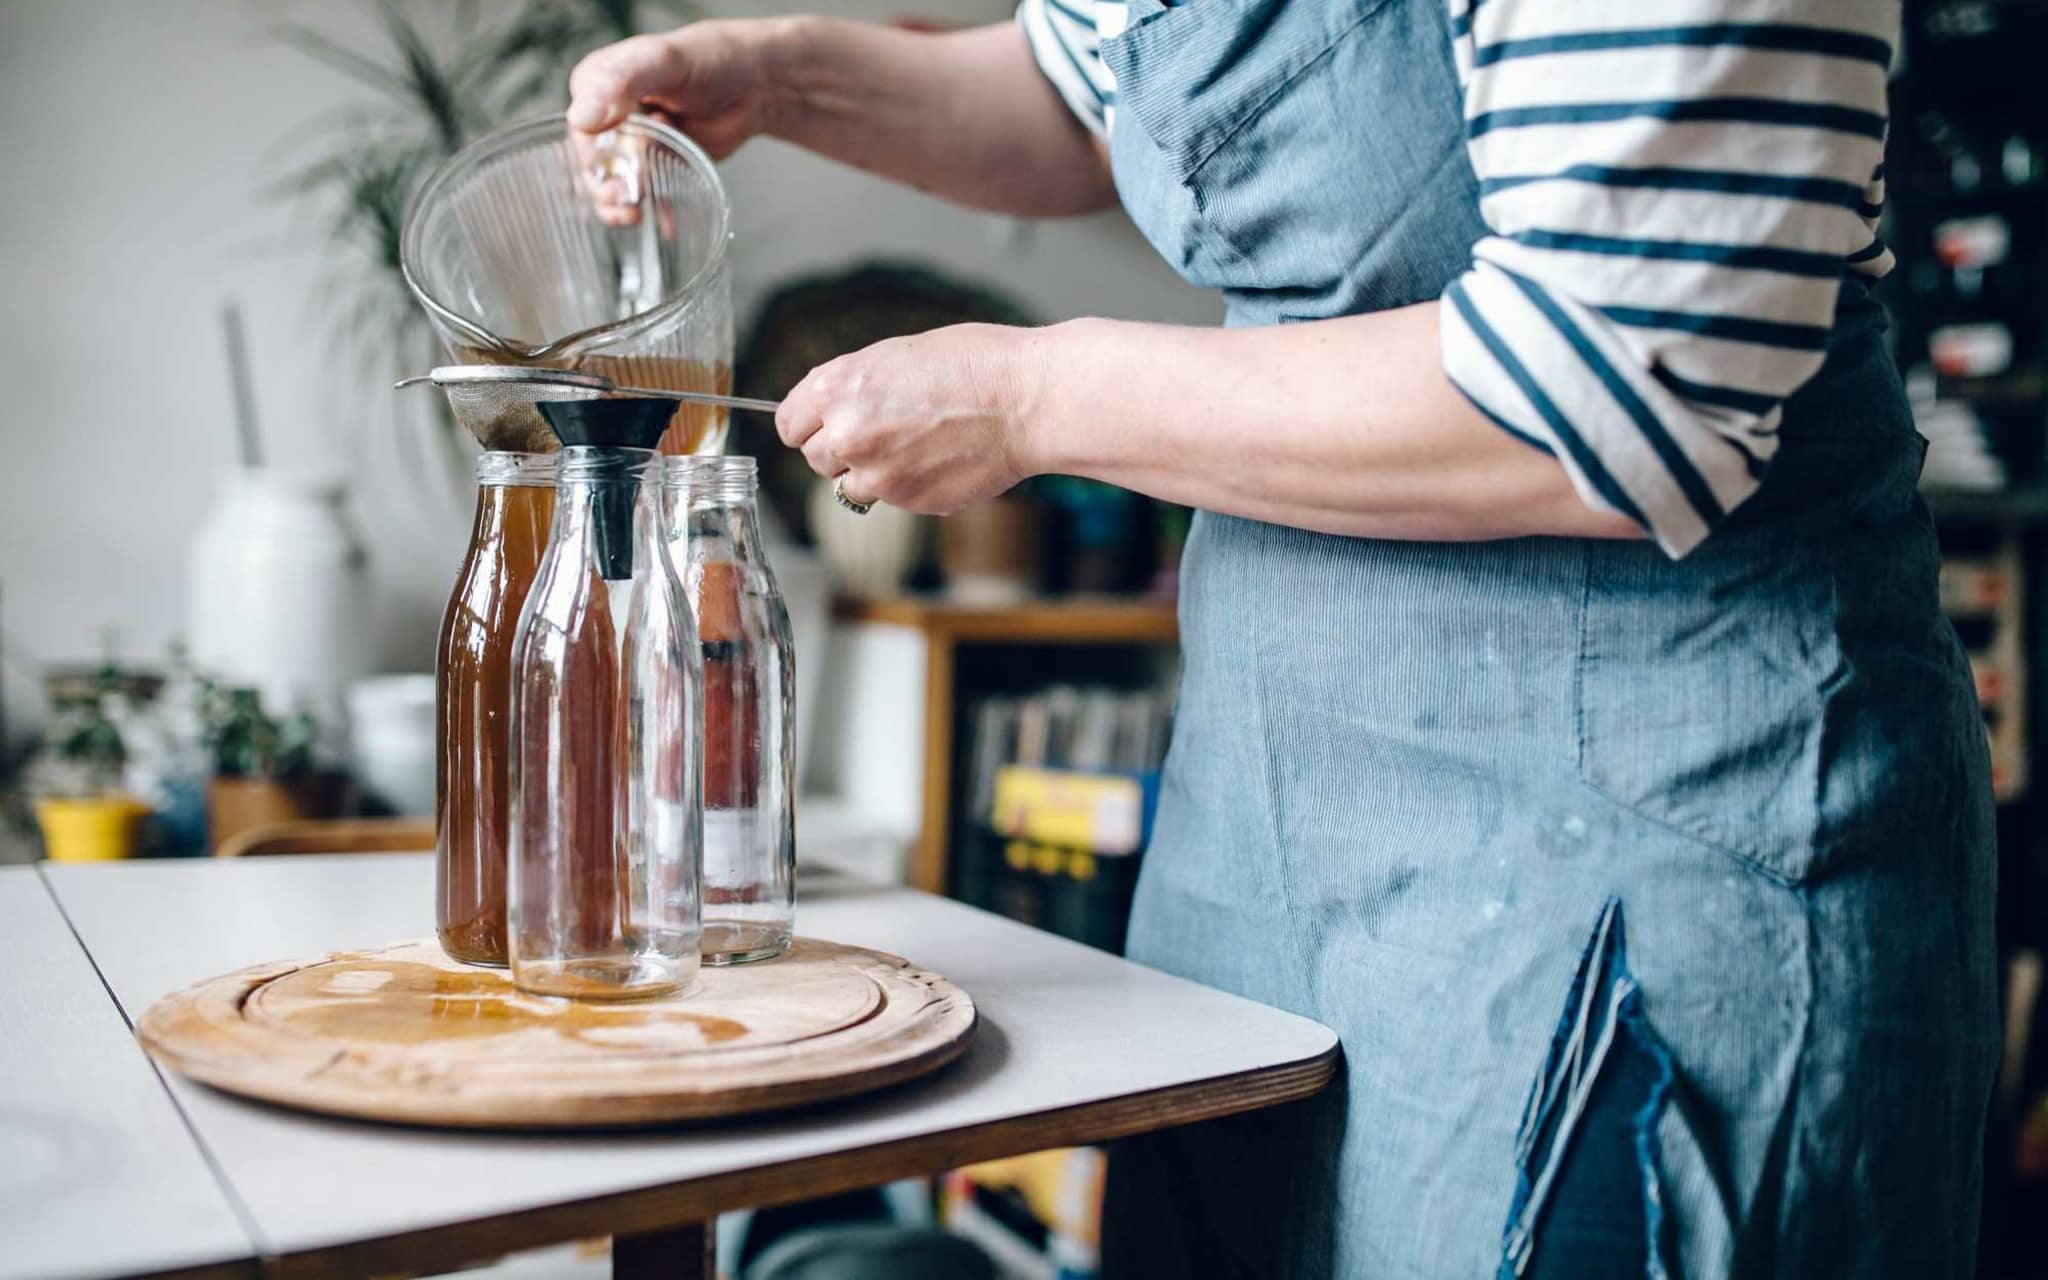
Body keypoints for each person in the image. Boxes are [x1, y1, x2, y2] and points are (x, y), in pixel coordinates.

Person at [568, 2, 1997, 1275]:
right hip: (1266, 836)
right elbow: (1091, 89)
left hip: (1642, 835)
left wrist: (1031, 401)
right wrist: (787, 77)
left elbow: (1627, 387)